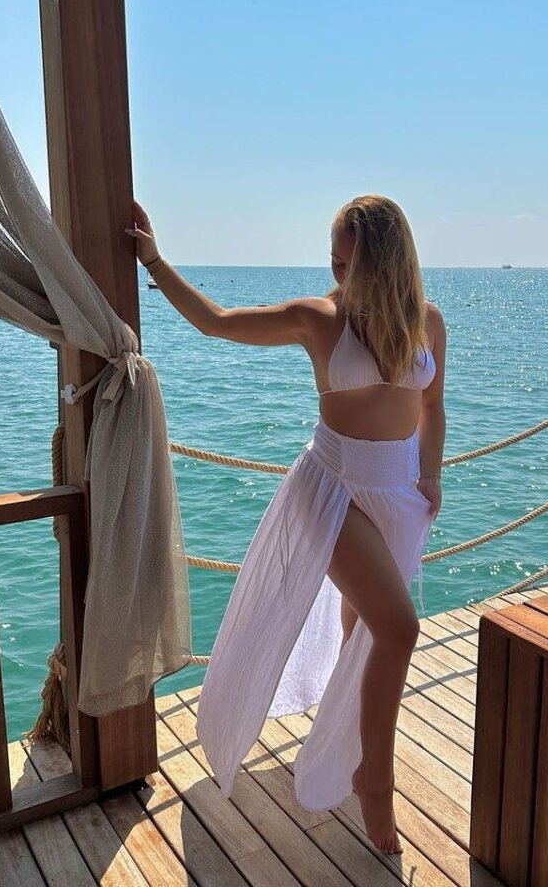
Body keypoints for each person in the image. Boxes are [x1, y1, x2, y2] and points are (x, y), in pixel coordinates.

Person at [126, 194, 446, 855]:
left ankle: (350, 753)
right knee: (399, 628)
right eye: (333, 262)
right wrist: (153, 260)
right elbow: (215, 322)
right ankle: (376, 782)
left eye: (349, 264)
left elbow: (432, 406)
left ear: (386, 262)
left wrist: (433, 475)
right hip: (332, 491)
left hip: (397, 495)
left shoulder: (428, 322)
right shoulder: (319, 319)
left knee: (364, 634)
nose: (337, 275)